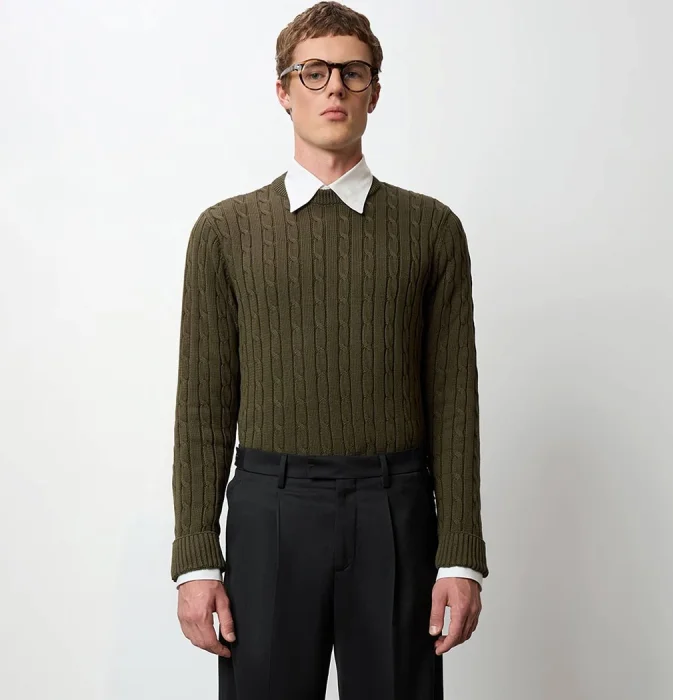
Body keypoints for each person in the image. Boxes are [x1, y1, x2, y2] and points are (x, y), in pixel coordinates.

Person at [170, 2, 489, 697]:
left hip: (396, 507)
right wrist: (195, 558)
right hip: (269, 509)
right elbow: (202, 410)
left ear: (375, 91)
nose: (335, 87)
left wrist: (461, 556)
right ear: (283, 91)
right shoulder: (225, 233)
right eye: (313, 72)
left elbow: (454, 405)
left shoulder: (431, 230)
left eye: (353, 72)